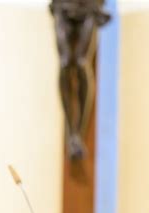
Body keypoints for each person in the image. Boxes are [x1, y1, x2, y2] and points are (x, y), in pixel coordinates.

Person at [50, 0, 110, 160]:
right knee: (64, 63)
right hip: (63, 6)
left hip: (88, 6)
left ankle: (78, 134)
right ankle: (72, 132)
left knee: (81, 62)